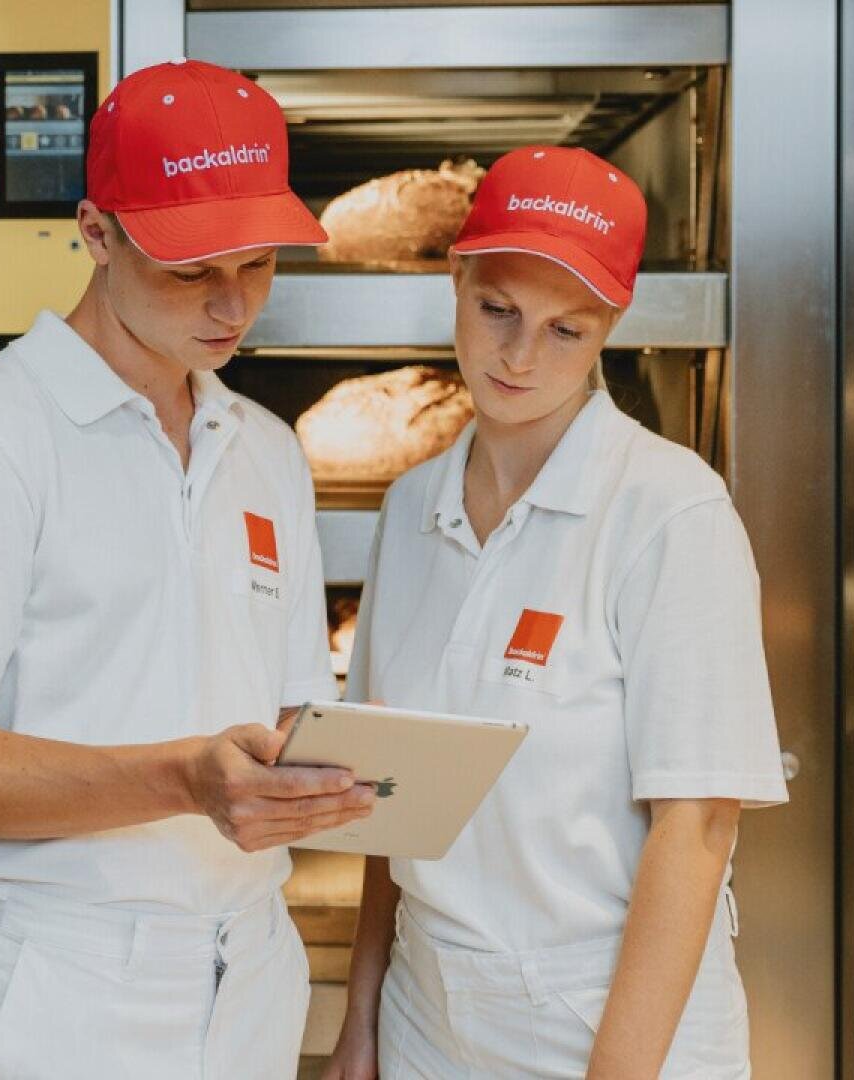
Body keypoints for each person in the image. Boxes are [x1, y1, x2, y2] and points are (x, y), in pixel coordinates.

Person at [0, 59, 378, 1079]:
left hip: (252, 966)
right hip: (67, 982)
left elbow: (292, 711)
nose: (232, 307)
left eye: (257, 266)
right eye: (190, 270)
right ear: (95, 233)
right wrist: (180, 779)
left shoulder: (265, 447)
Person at [321, 146, 789, 1080]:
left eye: (566, 329)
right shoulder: (412, 508)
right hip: (428, 1010)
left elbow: (696, 825)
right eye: (497, 310)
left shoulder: (667, 512)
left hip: (608, 1016)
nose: (520, 355)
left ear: (611, 324)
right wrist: (362, 1019)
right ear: (453, 278)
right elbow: (389, 791)